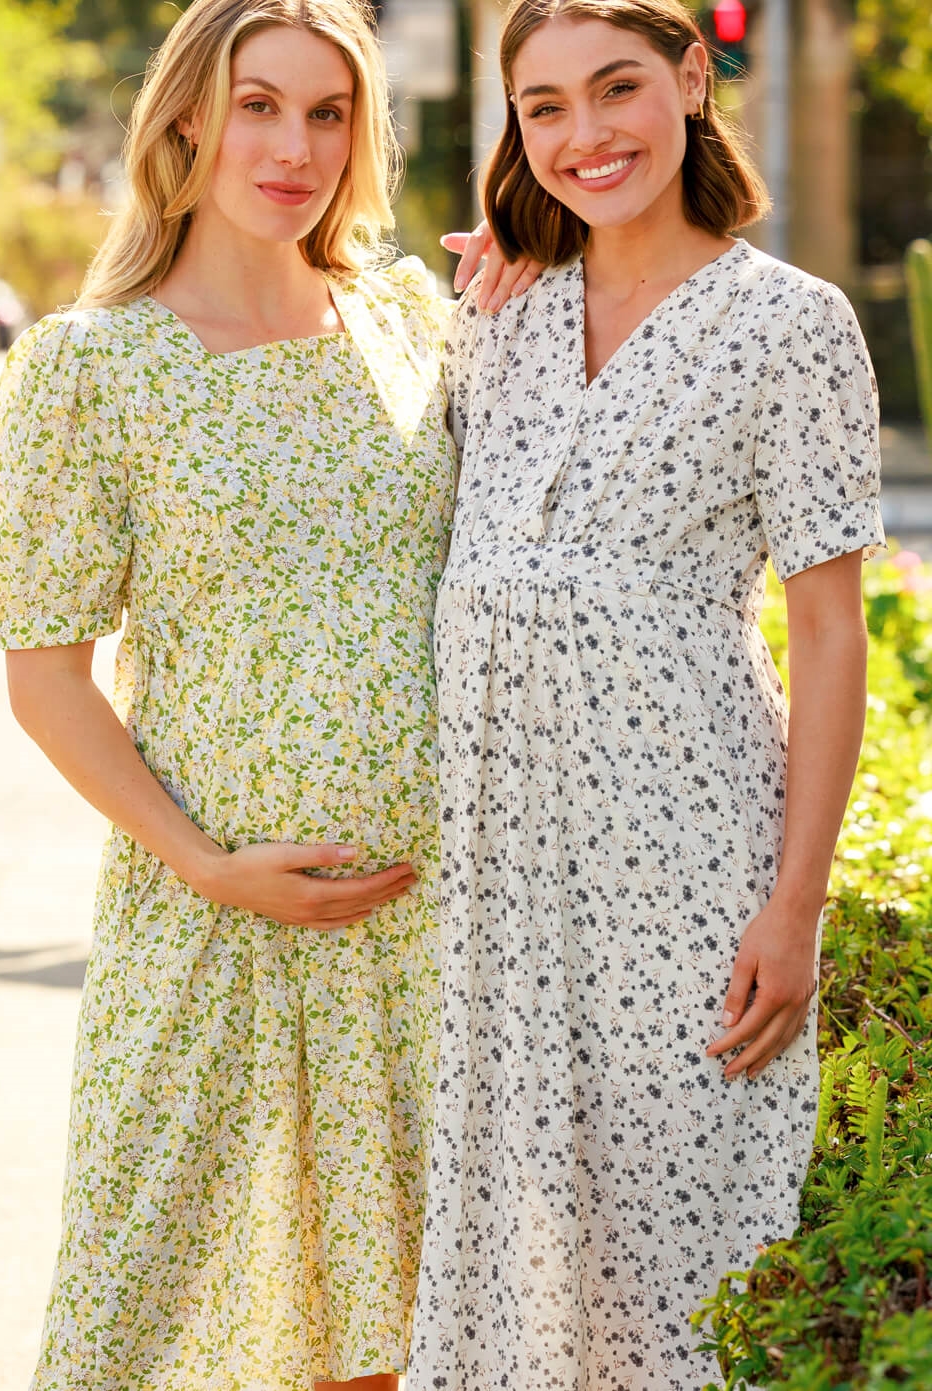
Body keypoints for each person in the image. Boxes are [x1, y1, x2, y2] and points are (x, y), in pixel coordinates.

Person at [0, 1, 531, 1387]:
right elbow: (47, 675)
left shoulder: (414, 320)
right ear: (187, 121)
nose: (295, 146)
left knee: (403, 1344)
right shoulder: (94, 367)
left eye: (329, 112)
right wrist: (210, 866)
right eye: (260, 105)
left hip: (428, 936)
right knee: (173, 1335)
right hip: (218, 933)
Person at [406, 2, 886, 1388]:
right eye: (542, 108)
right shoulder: (496, 316)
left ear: (691, 76)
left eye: (616, 89)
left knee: (682, 1270)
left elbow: (830, 631)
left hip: (686, 868)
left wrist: (794, 907)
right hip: (498, 882)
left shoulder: (794, 326)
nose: (584, 134)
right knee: (519, 1266)